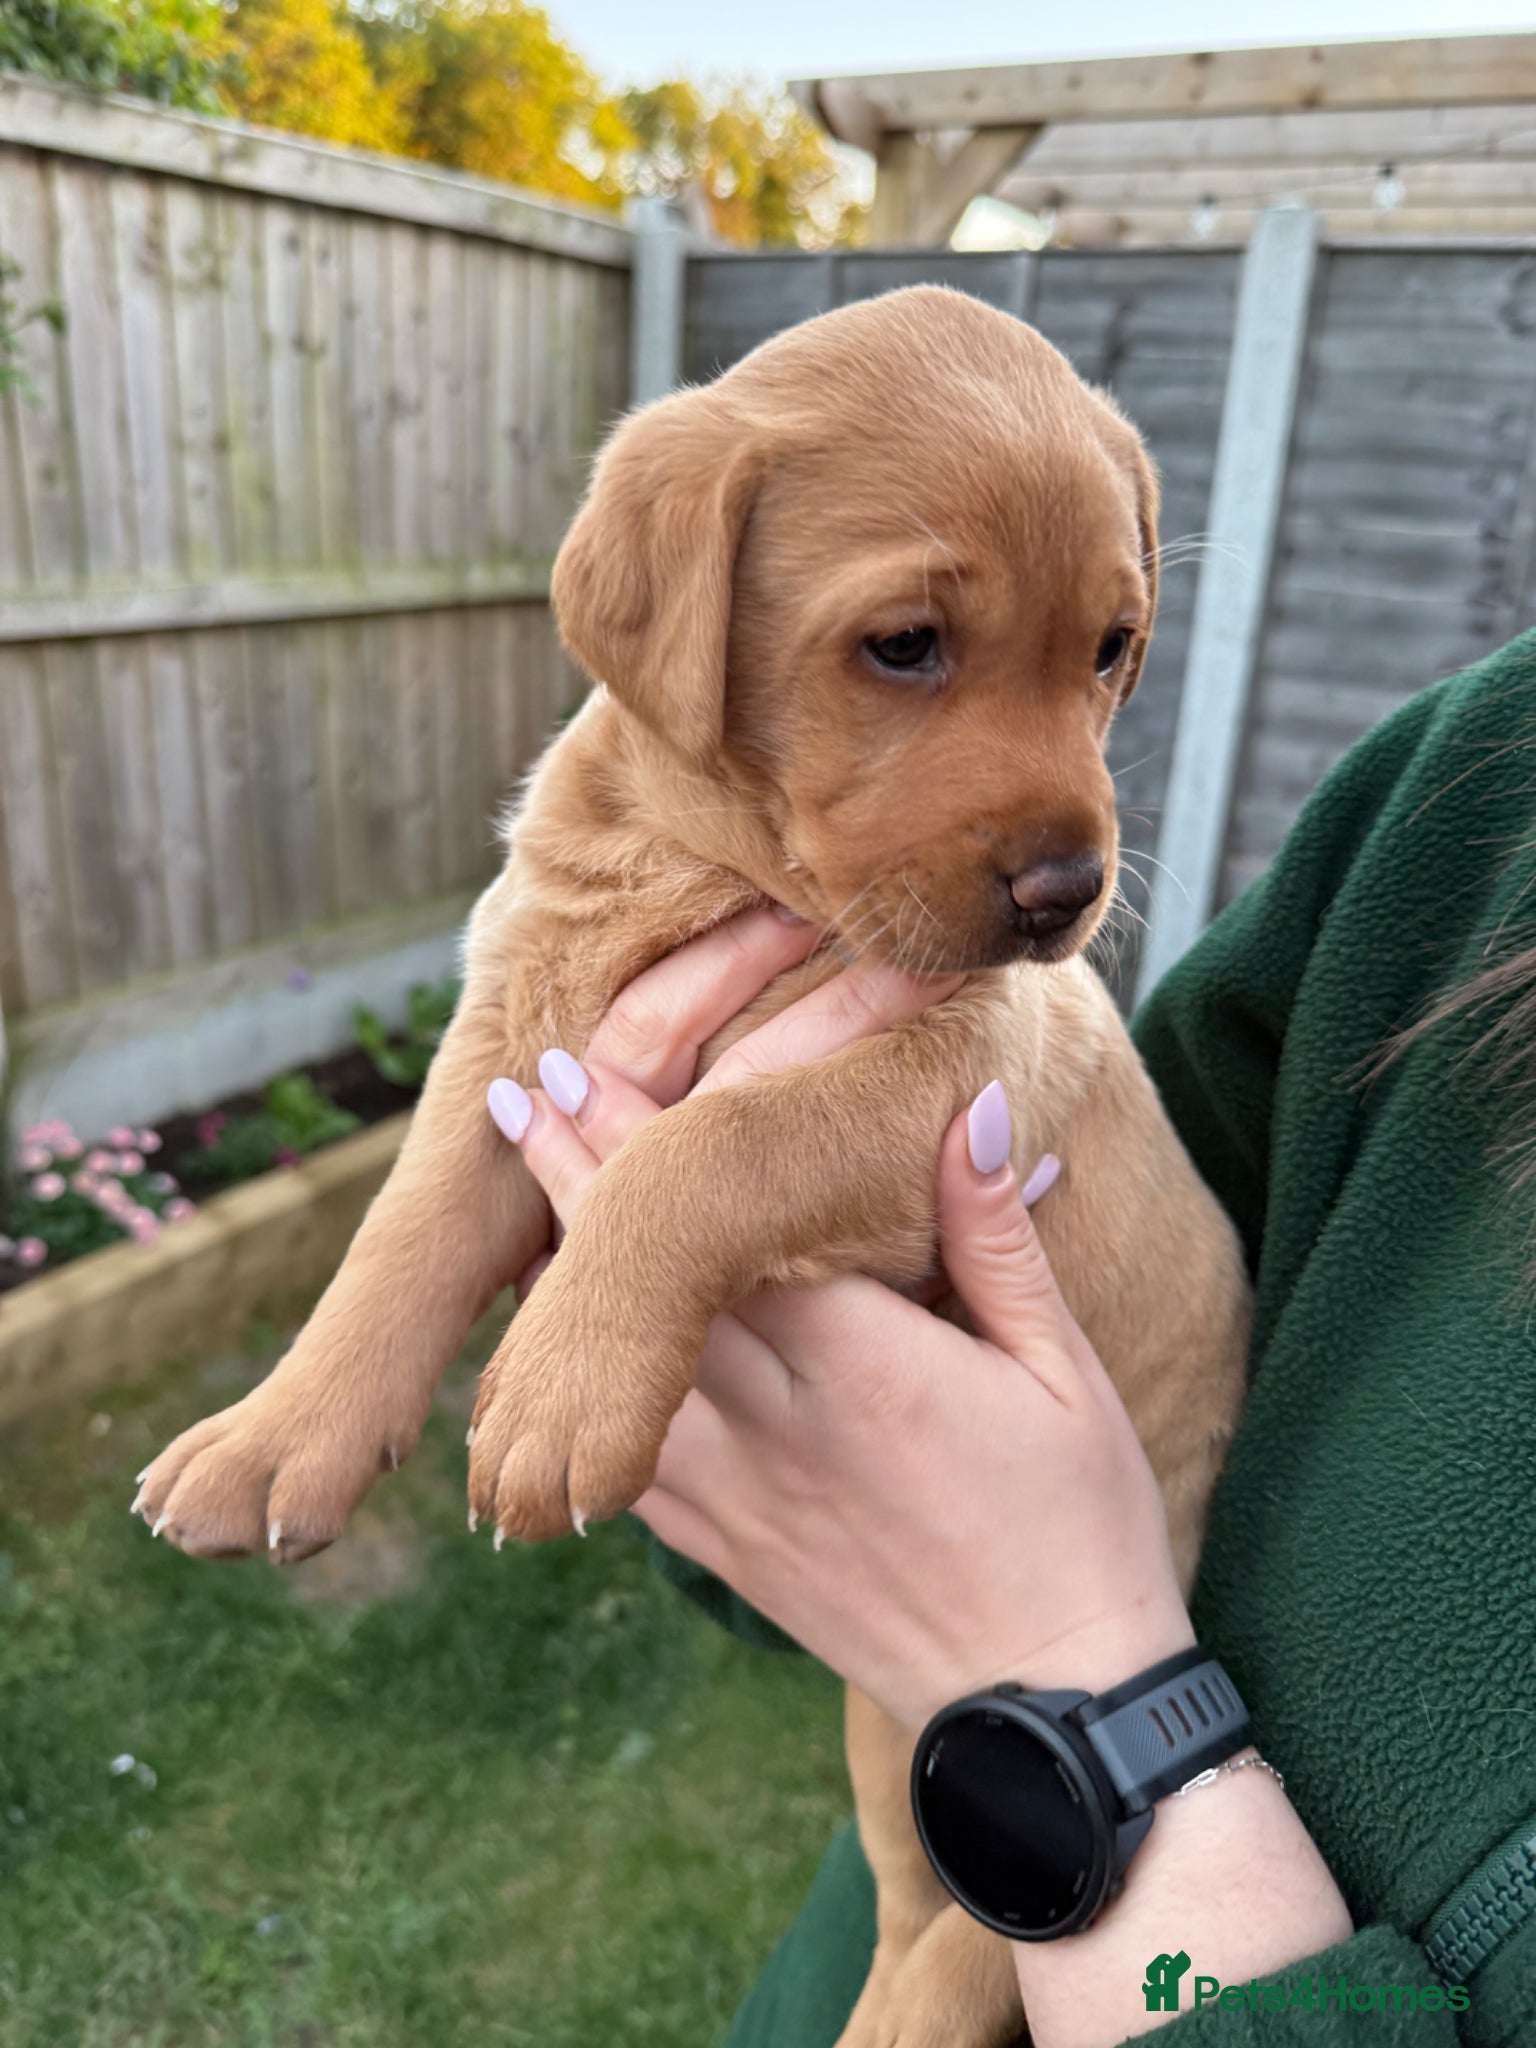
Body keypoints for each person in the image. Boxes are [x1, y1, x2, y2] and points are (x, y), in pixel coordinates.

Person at [490, 636, 1536, 2044]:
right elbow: (1090, 1225)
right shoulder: (1487, 785)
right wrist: (692, 1337)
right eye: (910, 649)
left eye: (1109, 655)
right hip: (893, 1894)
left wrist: (1082, 1690)